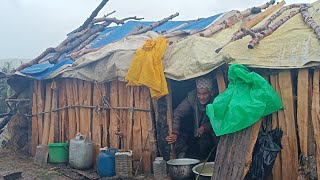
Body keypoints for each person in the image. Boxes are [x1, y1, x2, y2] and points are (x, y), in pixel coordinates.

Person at [166, 77, 218, 161]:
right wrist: (175, 132)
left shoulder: (217, 100)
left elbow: (219, 118)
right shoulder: (192, 97)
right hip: (195, 129)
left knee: (208, 143)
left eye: (205, 94)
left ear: (211, 93)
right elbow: (178, 113)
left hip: (213, 130)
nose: (201, 97)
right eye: (199, 93)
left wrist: (205, 127)